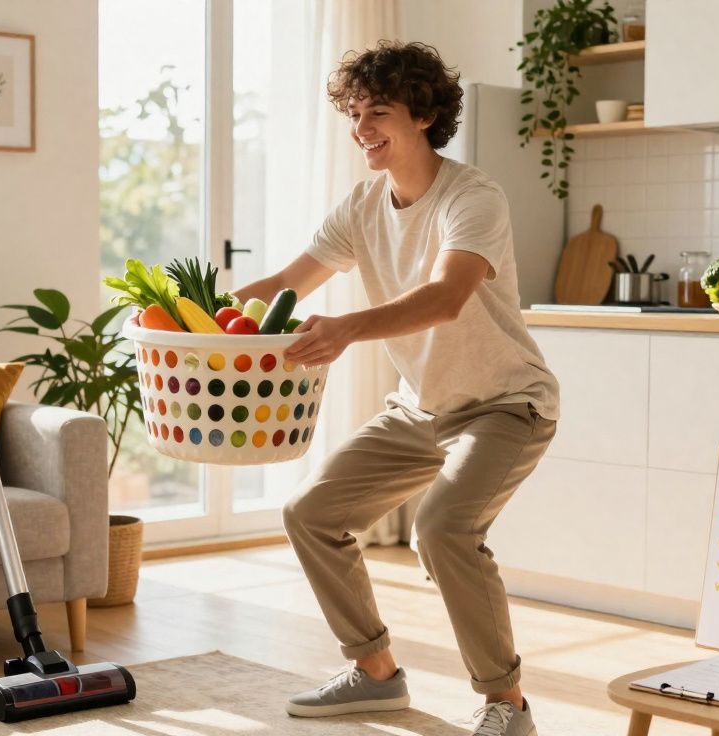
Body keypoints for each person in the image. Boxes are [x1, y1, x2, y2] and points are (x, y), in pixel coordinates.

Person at [233, 40, 559, 736]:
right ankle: (376, 675)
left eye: (377, 111)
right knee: (311, 512)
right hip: (422, 410)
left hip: (506, 404)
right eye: (354, 114)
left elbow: (445, 298)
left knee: (443, 529)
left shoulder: (472, 197)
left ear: (425, 115)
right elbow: (285, 285)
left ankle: (508, 706)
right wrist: (187, 312)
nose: (361, 129)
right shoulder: (360, 207)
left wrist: (347, 329)